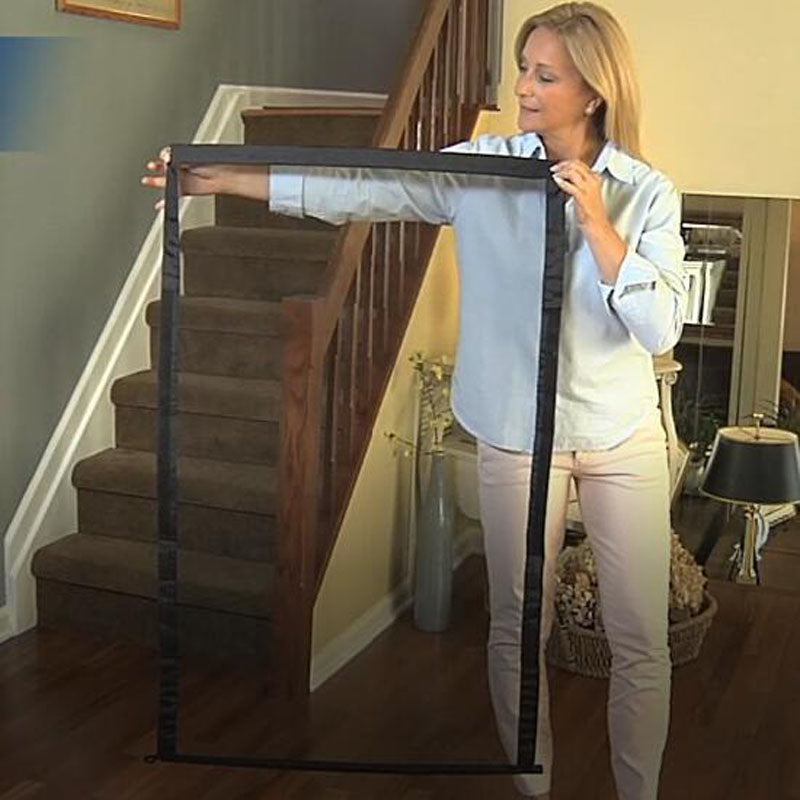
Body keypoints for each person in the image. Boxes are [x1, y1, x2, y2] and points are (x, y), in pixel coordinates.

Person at [142, 4, 685, 797]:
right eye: (523, 67)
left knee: (640, 642)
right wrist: (228, 178)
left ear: (593, 92)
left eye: (544, 75)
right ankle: (532, 785)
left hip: (620, 436)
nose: (522, 88)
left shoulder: (648, 193)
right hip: (513, 434)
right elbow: (368, 187)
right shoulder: (482, 169)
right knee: (517, 623)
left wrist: (600, 226)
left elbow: (659, 326)